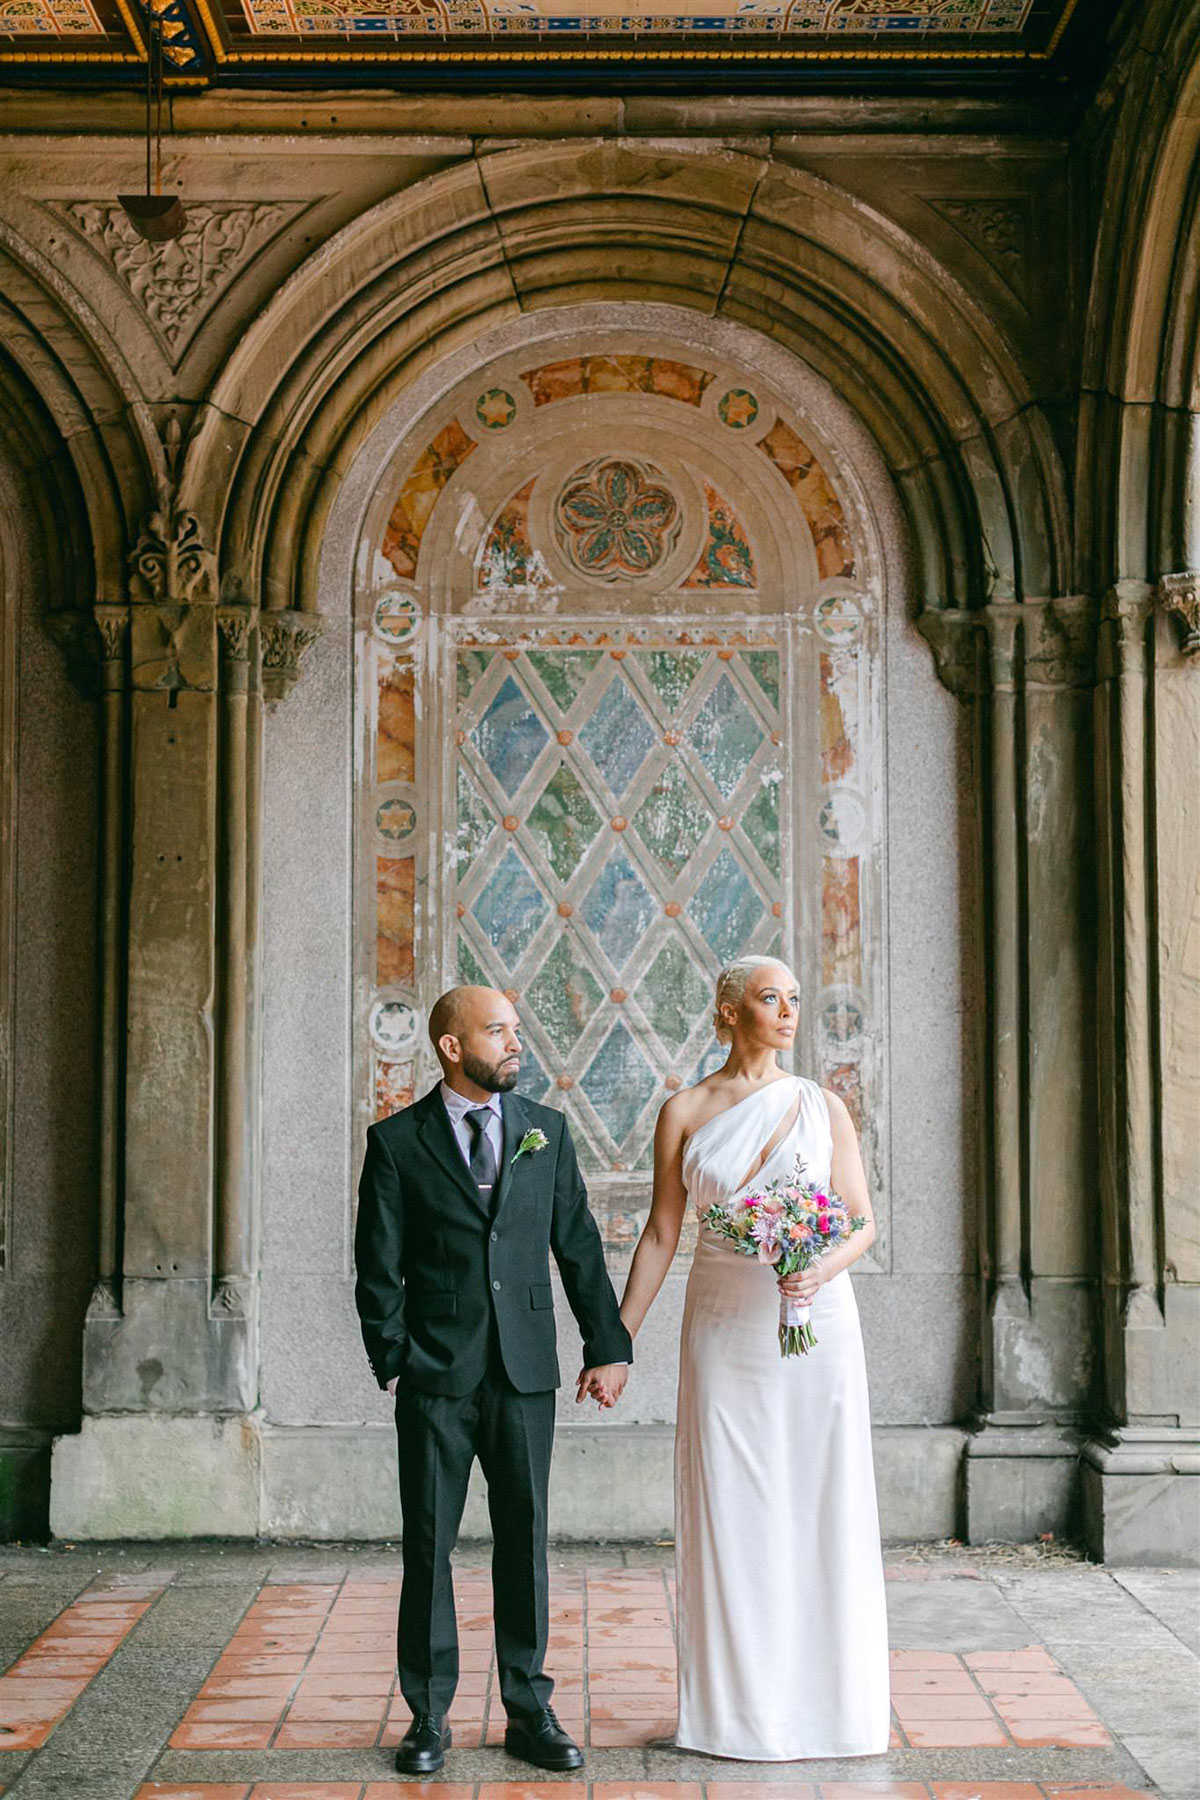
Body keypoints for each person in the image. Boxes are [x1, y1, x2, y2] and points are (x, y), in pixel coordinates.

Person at [616, 953, 890, 1760]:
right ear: (728, 1010)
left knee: (819, 1500)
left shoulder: (823, 1106)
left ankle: (833, 1711)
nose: (789, 1010)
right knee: (732, 1505)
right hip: (724, 1326)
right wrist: (617, 1338)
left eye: (795, 999)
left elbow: (861, 1220)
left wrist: (817, 1267)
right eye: (771, 998)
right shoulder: (685, 1110)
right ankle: (736, 1714)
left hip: (817, 1325)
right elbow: (663, 1233)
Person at [354, 984, 632, 1776]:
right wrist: (395, 1357)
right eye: (498, 1031)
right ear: (452, 1046)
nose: (516, 1043)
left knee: (526, 1542)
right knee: (429, 1544)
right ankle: (429, 1717)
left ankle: (528, 1709)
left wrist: (604, 1346)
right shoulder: (398, 1141)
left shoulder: (545, 1132)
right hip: (436, 1376)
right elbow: (376, 1265)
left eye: (515, 1029)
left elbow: (577, 1244)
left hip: (525, 1371)